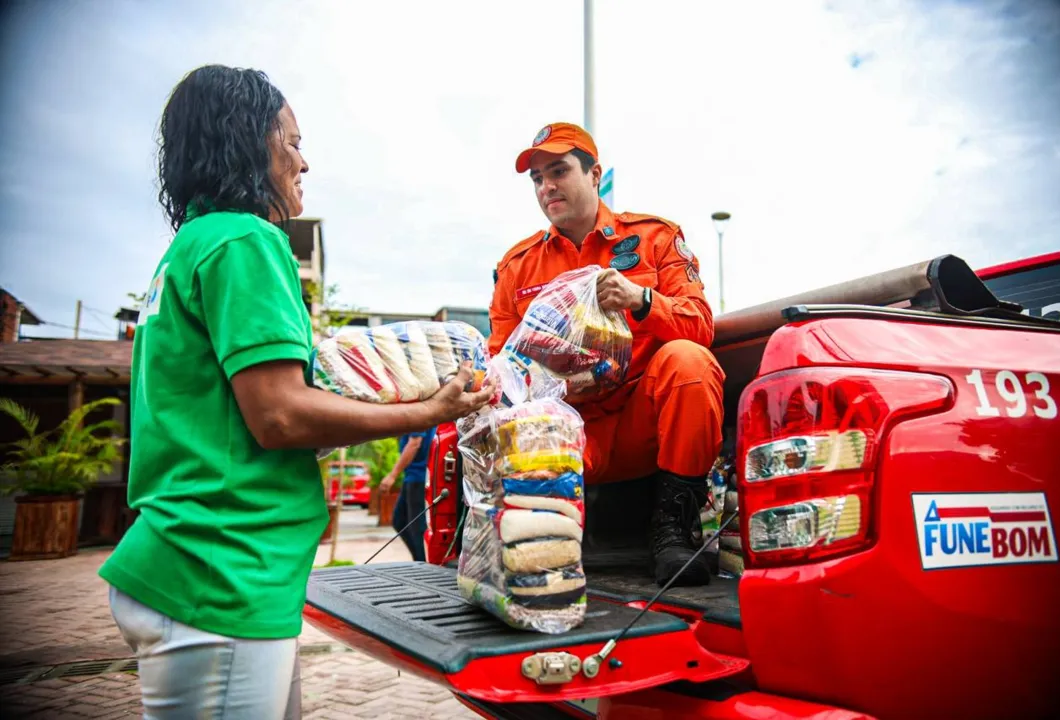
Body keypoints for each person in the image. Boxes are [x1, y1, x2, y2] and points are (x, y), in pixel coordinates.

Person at [98, 65, 492, 720]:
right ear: (248, 140)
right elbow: (277, 415)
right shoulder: (246, 238)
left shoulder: (192, 244)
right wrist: (430, 410)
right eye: (292, 140)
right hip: (220, 567)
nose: (303, 160)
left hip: (197, 562)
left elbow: (230, 407)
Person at [489, 122, 726, 587]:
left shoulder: (655, 237)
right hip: (566, 430)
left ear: (595, 174)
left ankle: (675, 527)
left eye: (558, 171)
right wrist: (549, 379)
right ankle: (537, 544)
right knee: (505, 410)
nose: (546, 186)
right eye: (537, 178)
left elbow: (701, 325)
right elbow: (500, 369)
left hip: (644, 423)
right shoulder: (516, 266)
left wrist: (642, 300)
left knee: (689, 361)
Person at [381, 426, 438, 561]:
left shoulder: (418, 409)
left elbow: (414, 443)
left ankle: (424, 563)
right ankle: (420, 559)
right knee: (399, 521)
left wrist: (392, 475)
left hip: (419, 477)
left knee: (417, 528)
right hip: (412, 476)